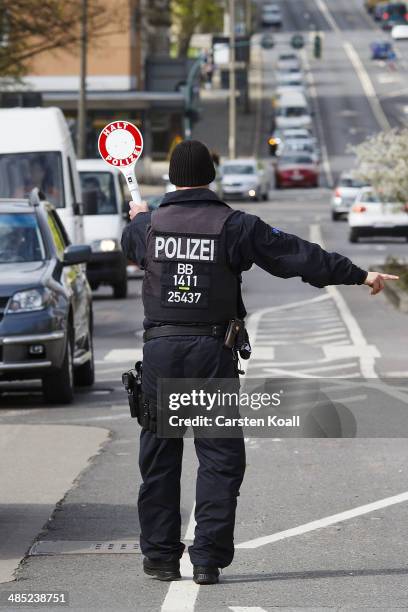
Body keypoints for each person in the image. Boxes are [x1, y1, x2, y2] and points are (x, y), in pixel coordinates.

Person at [121, 140, 398, 586]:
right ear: (212, 175)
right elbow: (295, 255)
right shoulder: (234, 225)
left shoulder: (148, 226)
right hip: (212, 353)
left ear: (172, 177)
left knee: (159, 457)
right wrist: (359, 274)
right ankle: (206, 560)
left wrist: (137, 218)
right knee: (219, 458)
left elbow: (132, 248)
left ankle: (161, 558)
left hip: (161, 351)